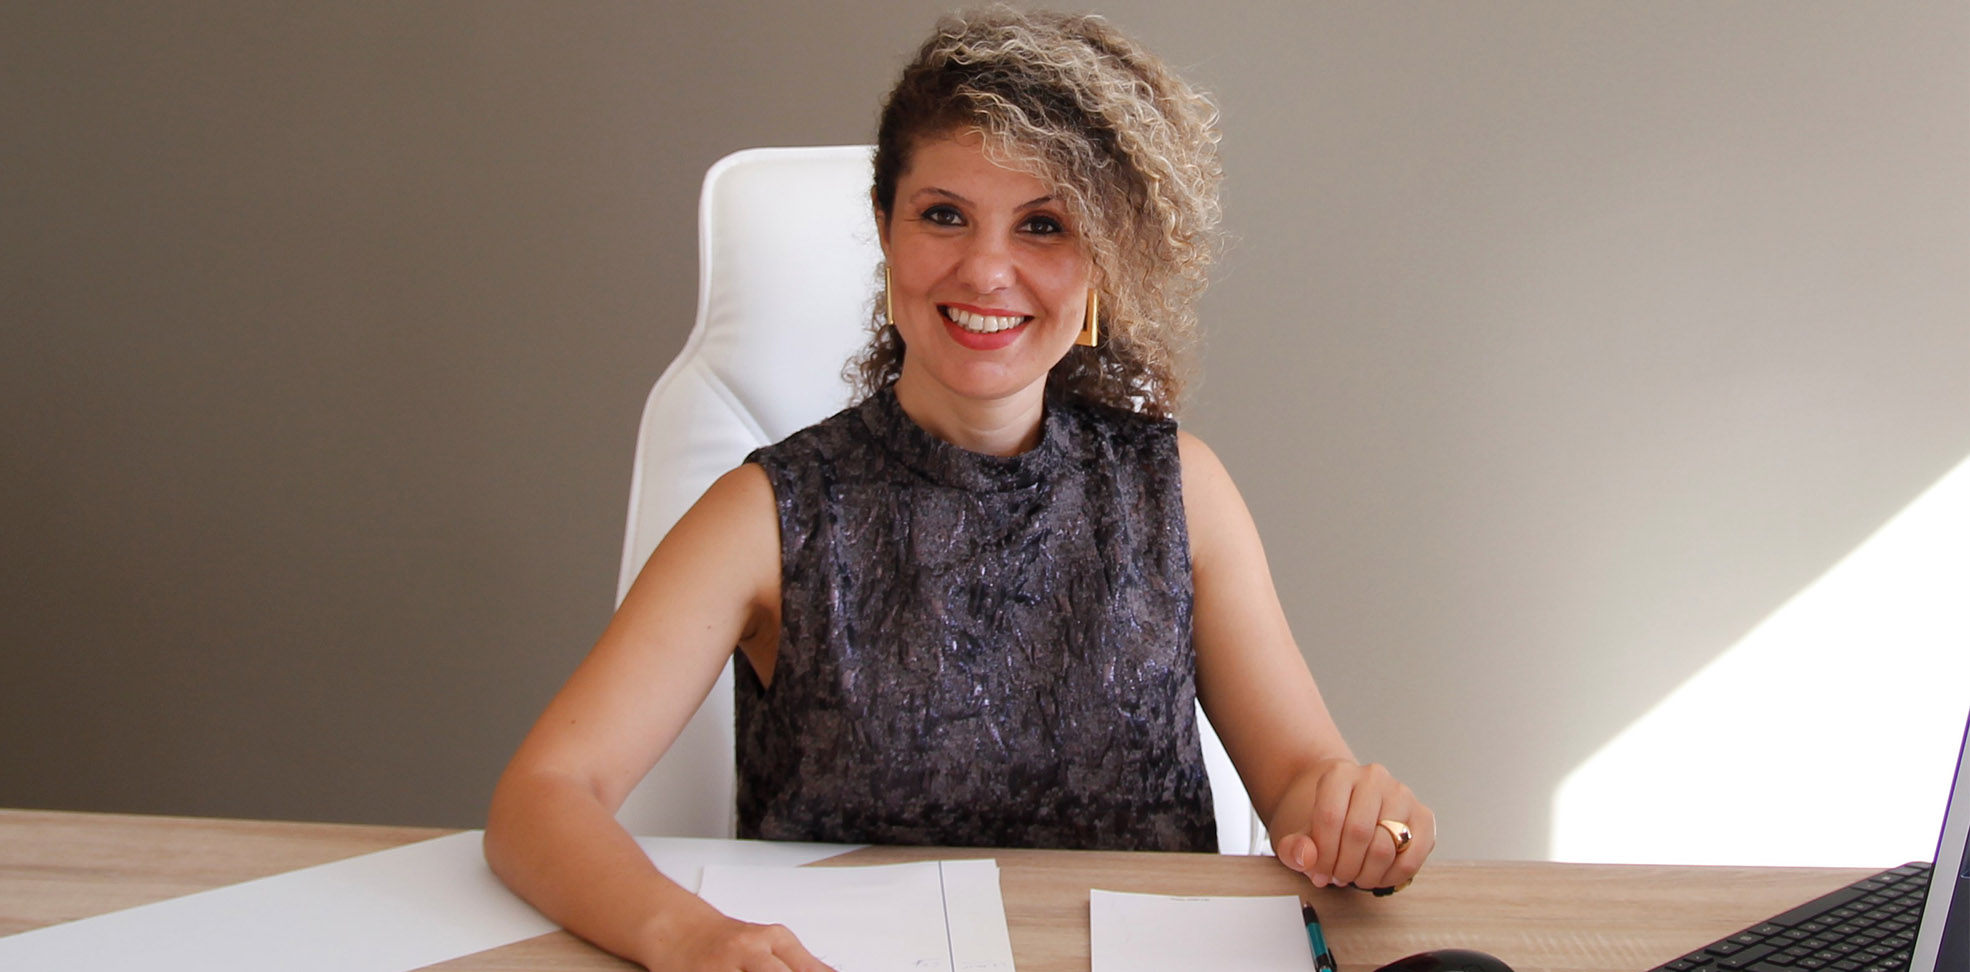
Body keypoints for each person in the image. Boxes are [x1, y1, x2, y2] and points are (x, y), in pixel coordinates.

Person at [484, 8, 1435, 971]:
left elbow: (1304, 783)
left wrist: (1363, 823)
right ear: (884, 229)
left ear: (1103, 257)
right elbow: (543, 797)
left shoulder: (1180, 491)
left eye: (1044, 226)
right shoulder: (769, 515)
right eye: (943, 215)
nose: (985, 269)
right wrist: (687, 937)